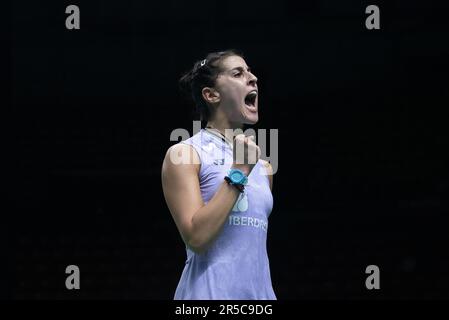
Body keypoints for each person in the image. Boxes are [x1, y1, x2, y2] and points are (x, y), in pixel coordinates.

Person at [161, 50, 276, 300]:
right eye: (238, 73)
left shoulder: (264, 168)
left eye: (250, 71)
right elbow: (197, 238)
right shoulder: (185, 154)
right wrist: (239, 172)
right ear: (211, 95)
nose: (253, 78)